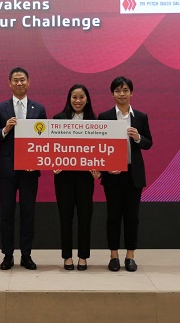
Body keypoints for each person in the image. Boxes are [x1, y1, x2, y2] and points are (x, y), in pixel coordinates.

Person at [0, 67, 47, 270]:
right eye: (16, 80)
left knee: (28, 213)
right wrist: (5, 129)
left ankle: (26, 255)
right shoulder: (0, 108)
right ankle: (7, 255)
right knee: (6, 213)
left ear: (29, 82)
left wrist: (36, 161)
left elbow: (44, 139)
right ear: (9, 83)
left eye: (23, 79)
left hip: (30, 170)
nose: (19, 83)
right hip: (7, 170)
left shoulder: (39, 109)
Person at [97, 76, 152, 272]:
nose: (122, 94)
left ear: (131, 93)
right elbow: (99, 146)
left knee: (132, 217)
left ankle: (130, 256)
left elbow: (148, 143)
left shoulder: (141, 117)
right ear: (112, 94)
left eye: (125, 90)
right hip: (112, 174)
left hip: (133, 174)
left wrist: (138, 138)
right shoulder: (104, 117)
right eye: (118, 90)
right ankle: (113, 256)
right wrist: (105, 168)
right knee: (113, 216)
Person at [52, 84, 101, 271]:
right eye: (74, 97)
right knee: (65, 217)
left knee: (84, 216)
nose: (78, 101)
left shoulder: (95, 121)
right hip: (63, 177)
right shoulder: (58, 119)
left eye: (81, 97)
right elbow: (51, 146)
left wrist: (99, 170)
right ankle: (67, 256)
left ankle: (83, 256)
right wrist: (53, 163)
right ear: (69, 99)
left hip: (85, 177)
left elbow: (101, 150)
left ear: (87, 99)